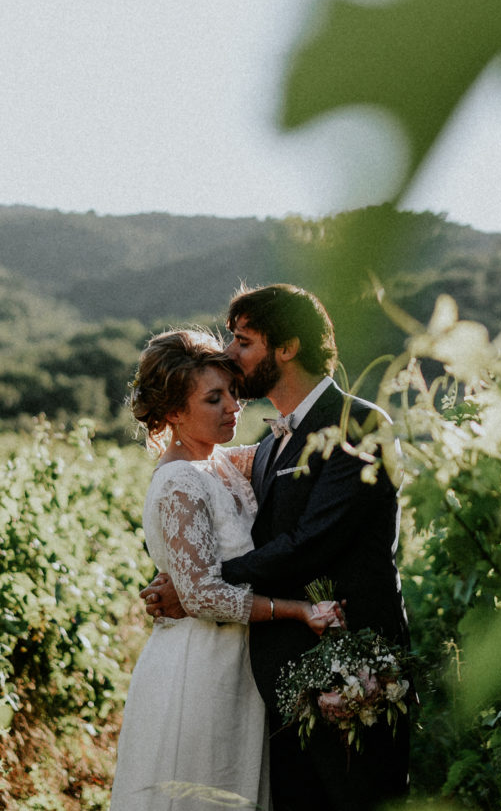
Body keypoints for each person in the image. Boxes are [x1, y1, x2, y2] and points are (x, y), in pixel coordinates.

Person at [143, 285, 410, 811]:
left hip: (351, 669)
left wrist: (203, 583)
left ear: (286, 348)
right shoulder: (266, 445)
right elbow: (194, 504)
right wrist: (182, 577)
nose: (231, 354)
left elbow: (309, 543)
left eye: (243, 342)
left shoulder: (358, 423)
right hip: (273, 682)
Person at [110, 328, 337, 811]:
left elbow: (281, 451)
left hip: (237, 662)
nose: (234, 406)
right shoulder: (178, 483)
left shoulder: (219, 462)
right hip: (200, 664)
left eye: (232, 392)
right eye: (214, 399)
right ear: (173, 413)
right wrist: (297, 610)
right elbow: (203, 597)